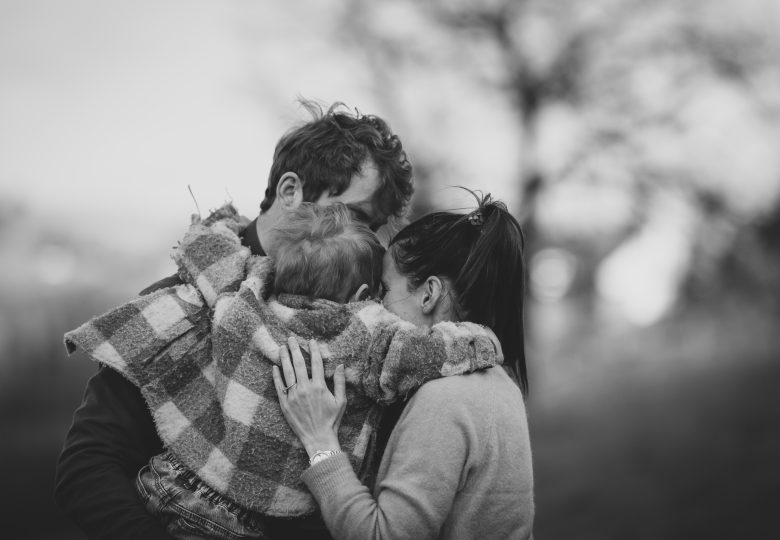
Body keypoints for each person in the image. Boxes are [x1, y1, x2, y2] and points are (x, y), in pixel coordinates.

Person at [54, 101, 414, 540]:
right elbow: (88, 465)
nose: (368, 244)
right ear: (290, 191)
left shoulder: (368, 323)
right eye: (354, 216)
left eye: (373, 228)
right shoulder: (181, 302)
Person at [64, 202, 504, 539]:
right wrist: (483, 340)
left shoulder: (243, 299)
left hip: (165, 481)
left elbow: (209, 255)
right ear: (365, 293)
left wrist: (222, 220)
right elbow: (436, 352)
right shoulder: (364, 340)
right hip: (241, 523)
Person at [274, 194, 535, 539]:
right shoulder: (493, 380)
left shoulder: (446, 398)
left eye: (383, 290)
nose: (371, 306)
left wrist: (319, 440)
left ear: (429, 294)